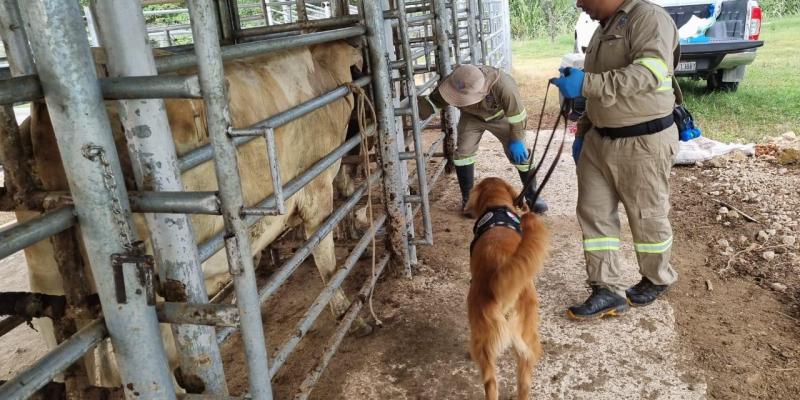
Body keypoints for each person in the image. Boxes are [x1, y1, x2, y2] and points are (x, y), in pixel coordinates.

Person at [552, 0, 680, 320]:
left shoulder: (649, 19)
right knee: (594, 214)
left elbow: (647, 74)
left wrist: (585, 82)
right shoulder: (601, 29)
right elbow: (596, 88)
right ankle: (605, 288)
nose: (579, 3)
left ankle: (656, 278)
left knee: (646, 215)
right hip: (599, 138)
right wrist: (582, 130)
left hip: (642, 140)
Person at [418, 64, 548, 215]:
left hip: (501, 117)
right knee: (463, 153)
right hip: (471, 117)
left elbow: (517, 115)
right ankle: (469, 201)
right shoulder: (455, 81)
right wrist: (409, 108)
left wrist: (517, 139)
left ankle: (533, 195)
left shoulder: (503, 85)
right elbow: (433, 102)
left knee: (521, 155)